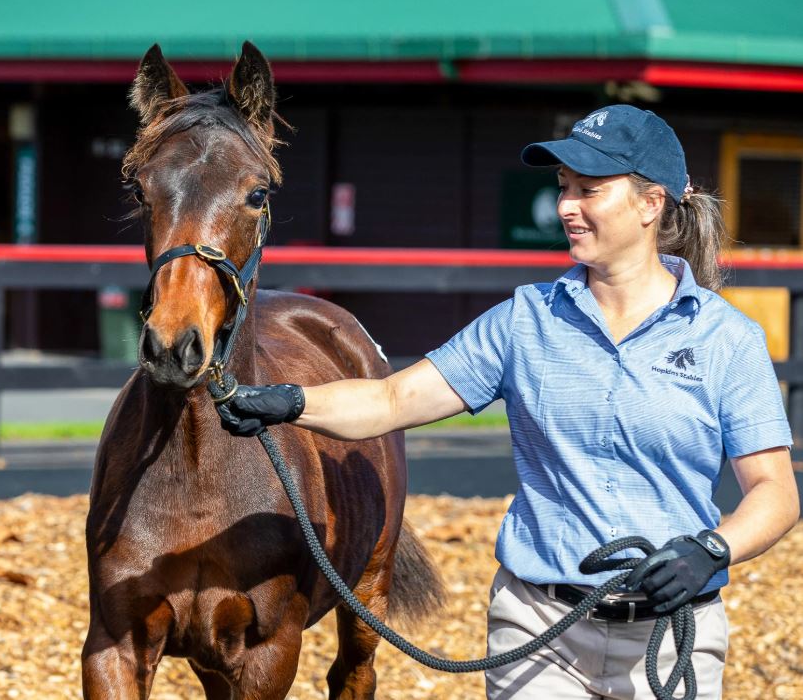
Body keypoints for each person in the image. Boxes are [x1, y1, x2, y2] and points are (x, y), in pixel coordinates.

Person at [218, 104, 800, 699]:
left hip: (673, 636)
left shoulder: (727, 339)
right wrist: (289, 402)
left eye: (589, 191)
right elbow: (392, 399)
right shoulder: (525, 320)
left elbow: (775, 492)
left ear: (651, 203)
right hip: (539, 629)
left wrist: (711, 549)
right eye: (564, 187)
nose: (566, 206)